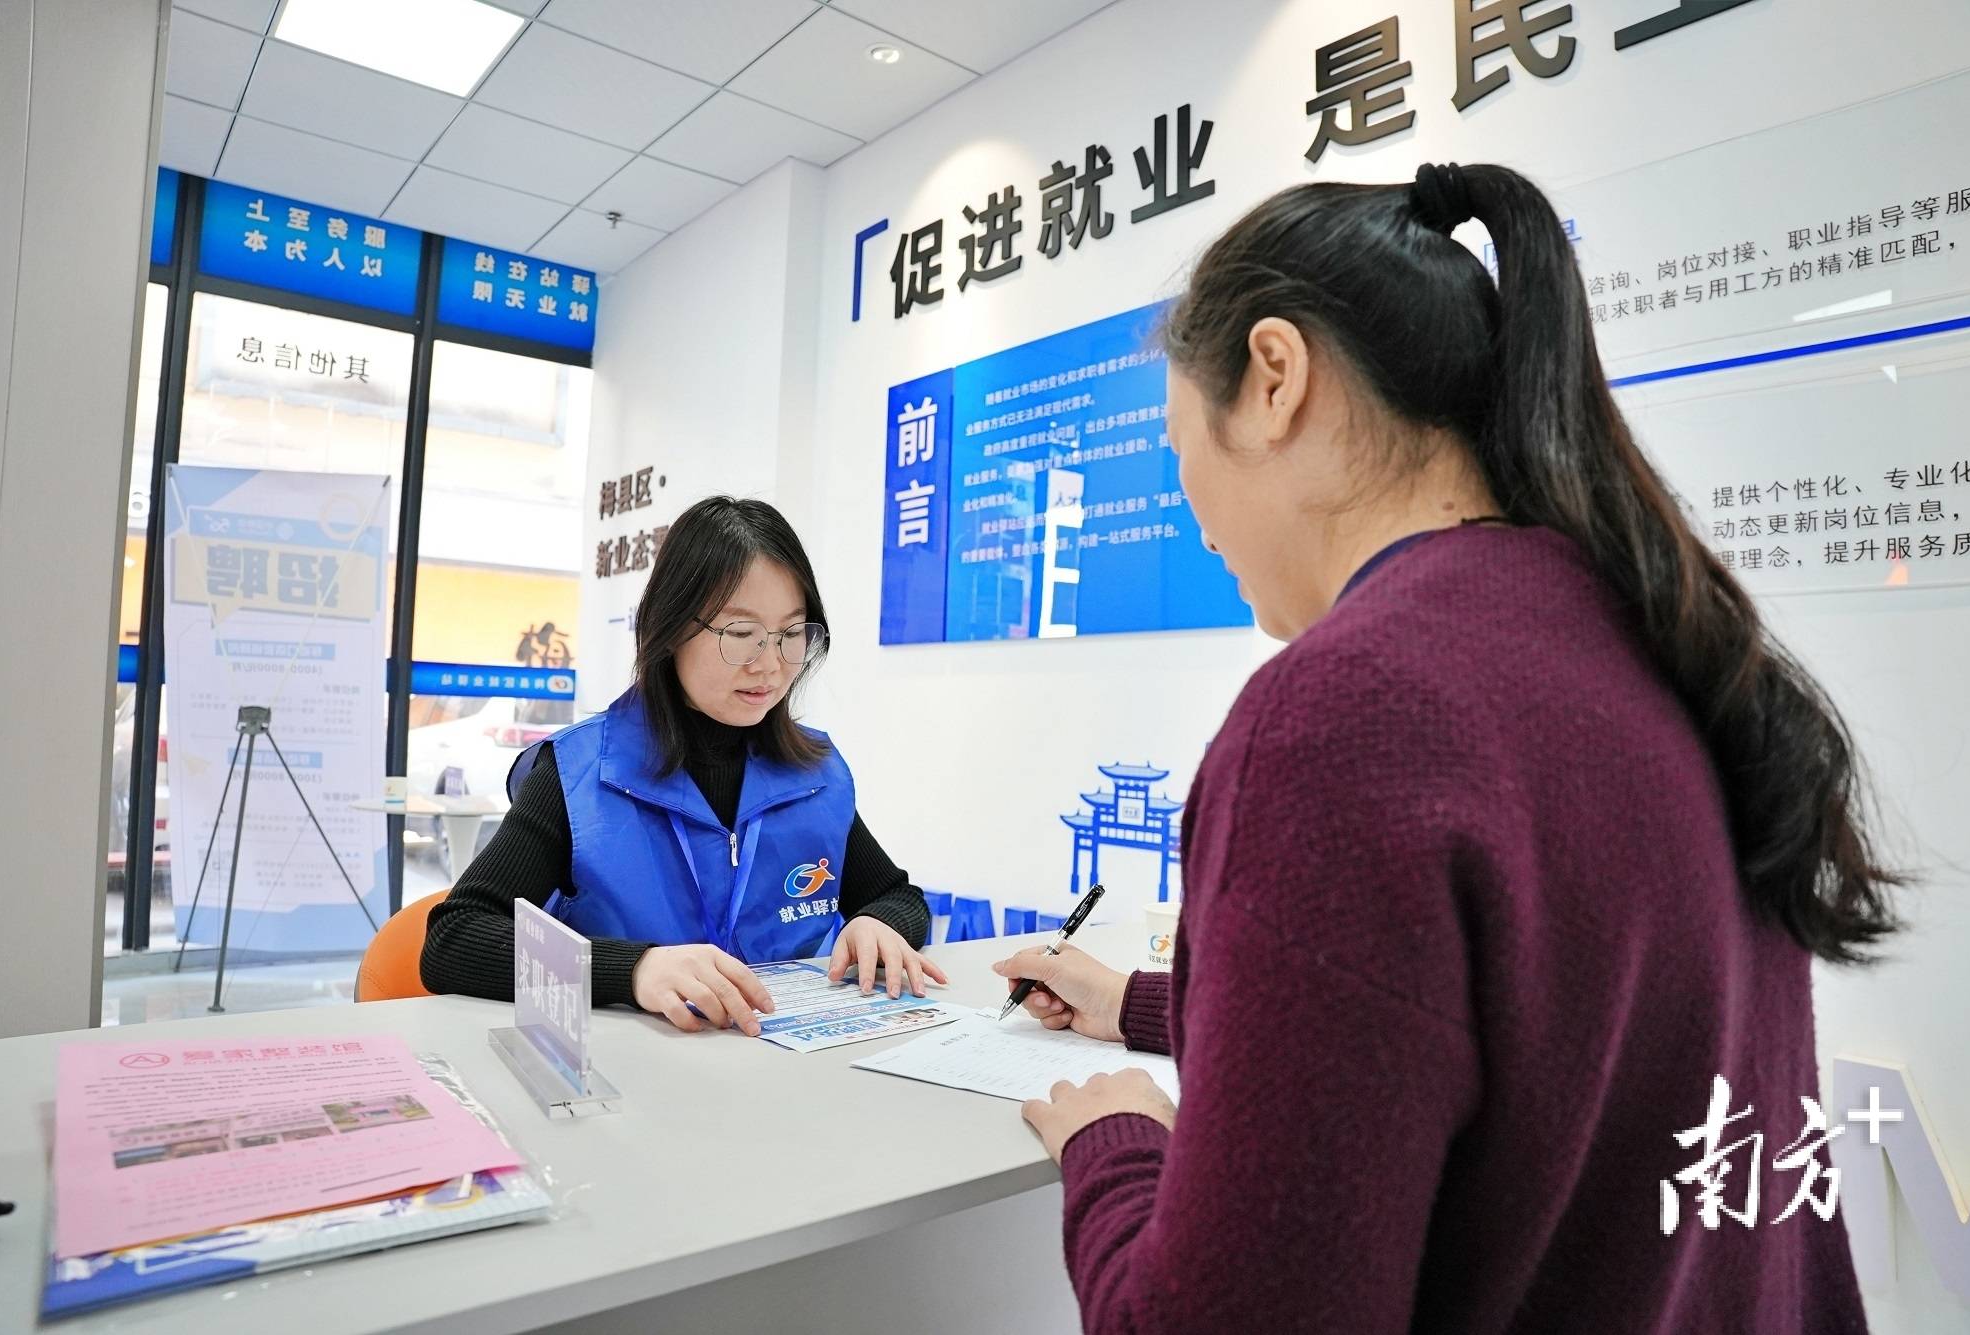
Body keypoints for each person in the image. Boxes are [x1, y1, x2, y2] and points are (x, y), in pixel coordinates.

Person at [992, 164, 1894, 1332]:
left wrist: (1115, 1145)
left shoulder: (1339, 715)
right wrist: (1150, 1004)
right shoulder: (1665, 642)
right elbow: (1546, 1033)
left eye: (1177, 444)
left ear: (1273, 378)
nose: (1193, 515)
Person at [422, 496, 946, 1036]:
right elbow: (453, 939)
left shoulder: (814, 775)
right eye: (740, 634)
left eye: (791, 635)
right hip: (637, 1066)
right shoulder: (580, 773)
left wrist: (878, 922)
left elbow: (897, 896)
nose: (770, 665)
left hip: (784, 1059)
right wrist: (632, 969)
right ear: (670, 629)